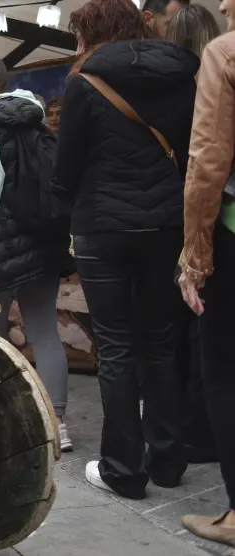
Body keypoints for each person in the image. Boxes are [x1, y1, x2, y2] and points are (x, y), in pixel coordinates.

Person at [56, 0, 199, 500]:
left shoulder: (83, 82)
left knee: (116, 349)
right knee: (162, 342)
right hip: (166, 224)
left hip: (102, 229)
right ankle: (167, 459)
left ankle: (123, 468)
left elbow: (66, 168)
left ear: (92, 33)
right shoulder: (183, 73)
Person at [0, 54, 73, 451]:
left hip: (1, 251)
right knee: (45, 333)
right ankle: (58, 424)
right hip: (43, 242)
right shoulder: (33, 118)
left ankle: (3, 420)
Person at [177, 0, 235, 544]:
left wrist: (194, 254)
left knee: (223, 369)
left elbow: (209, 161)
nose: (222, 3)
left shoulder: (225, 52)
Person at [166, 1, 221, 465]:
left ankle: (197, 431)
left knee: (194, 331)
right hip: (221, 217)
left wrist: (193, 248)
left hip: (194, 219)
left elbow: (202, 166)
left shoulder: (182, 86)